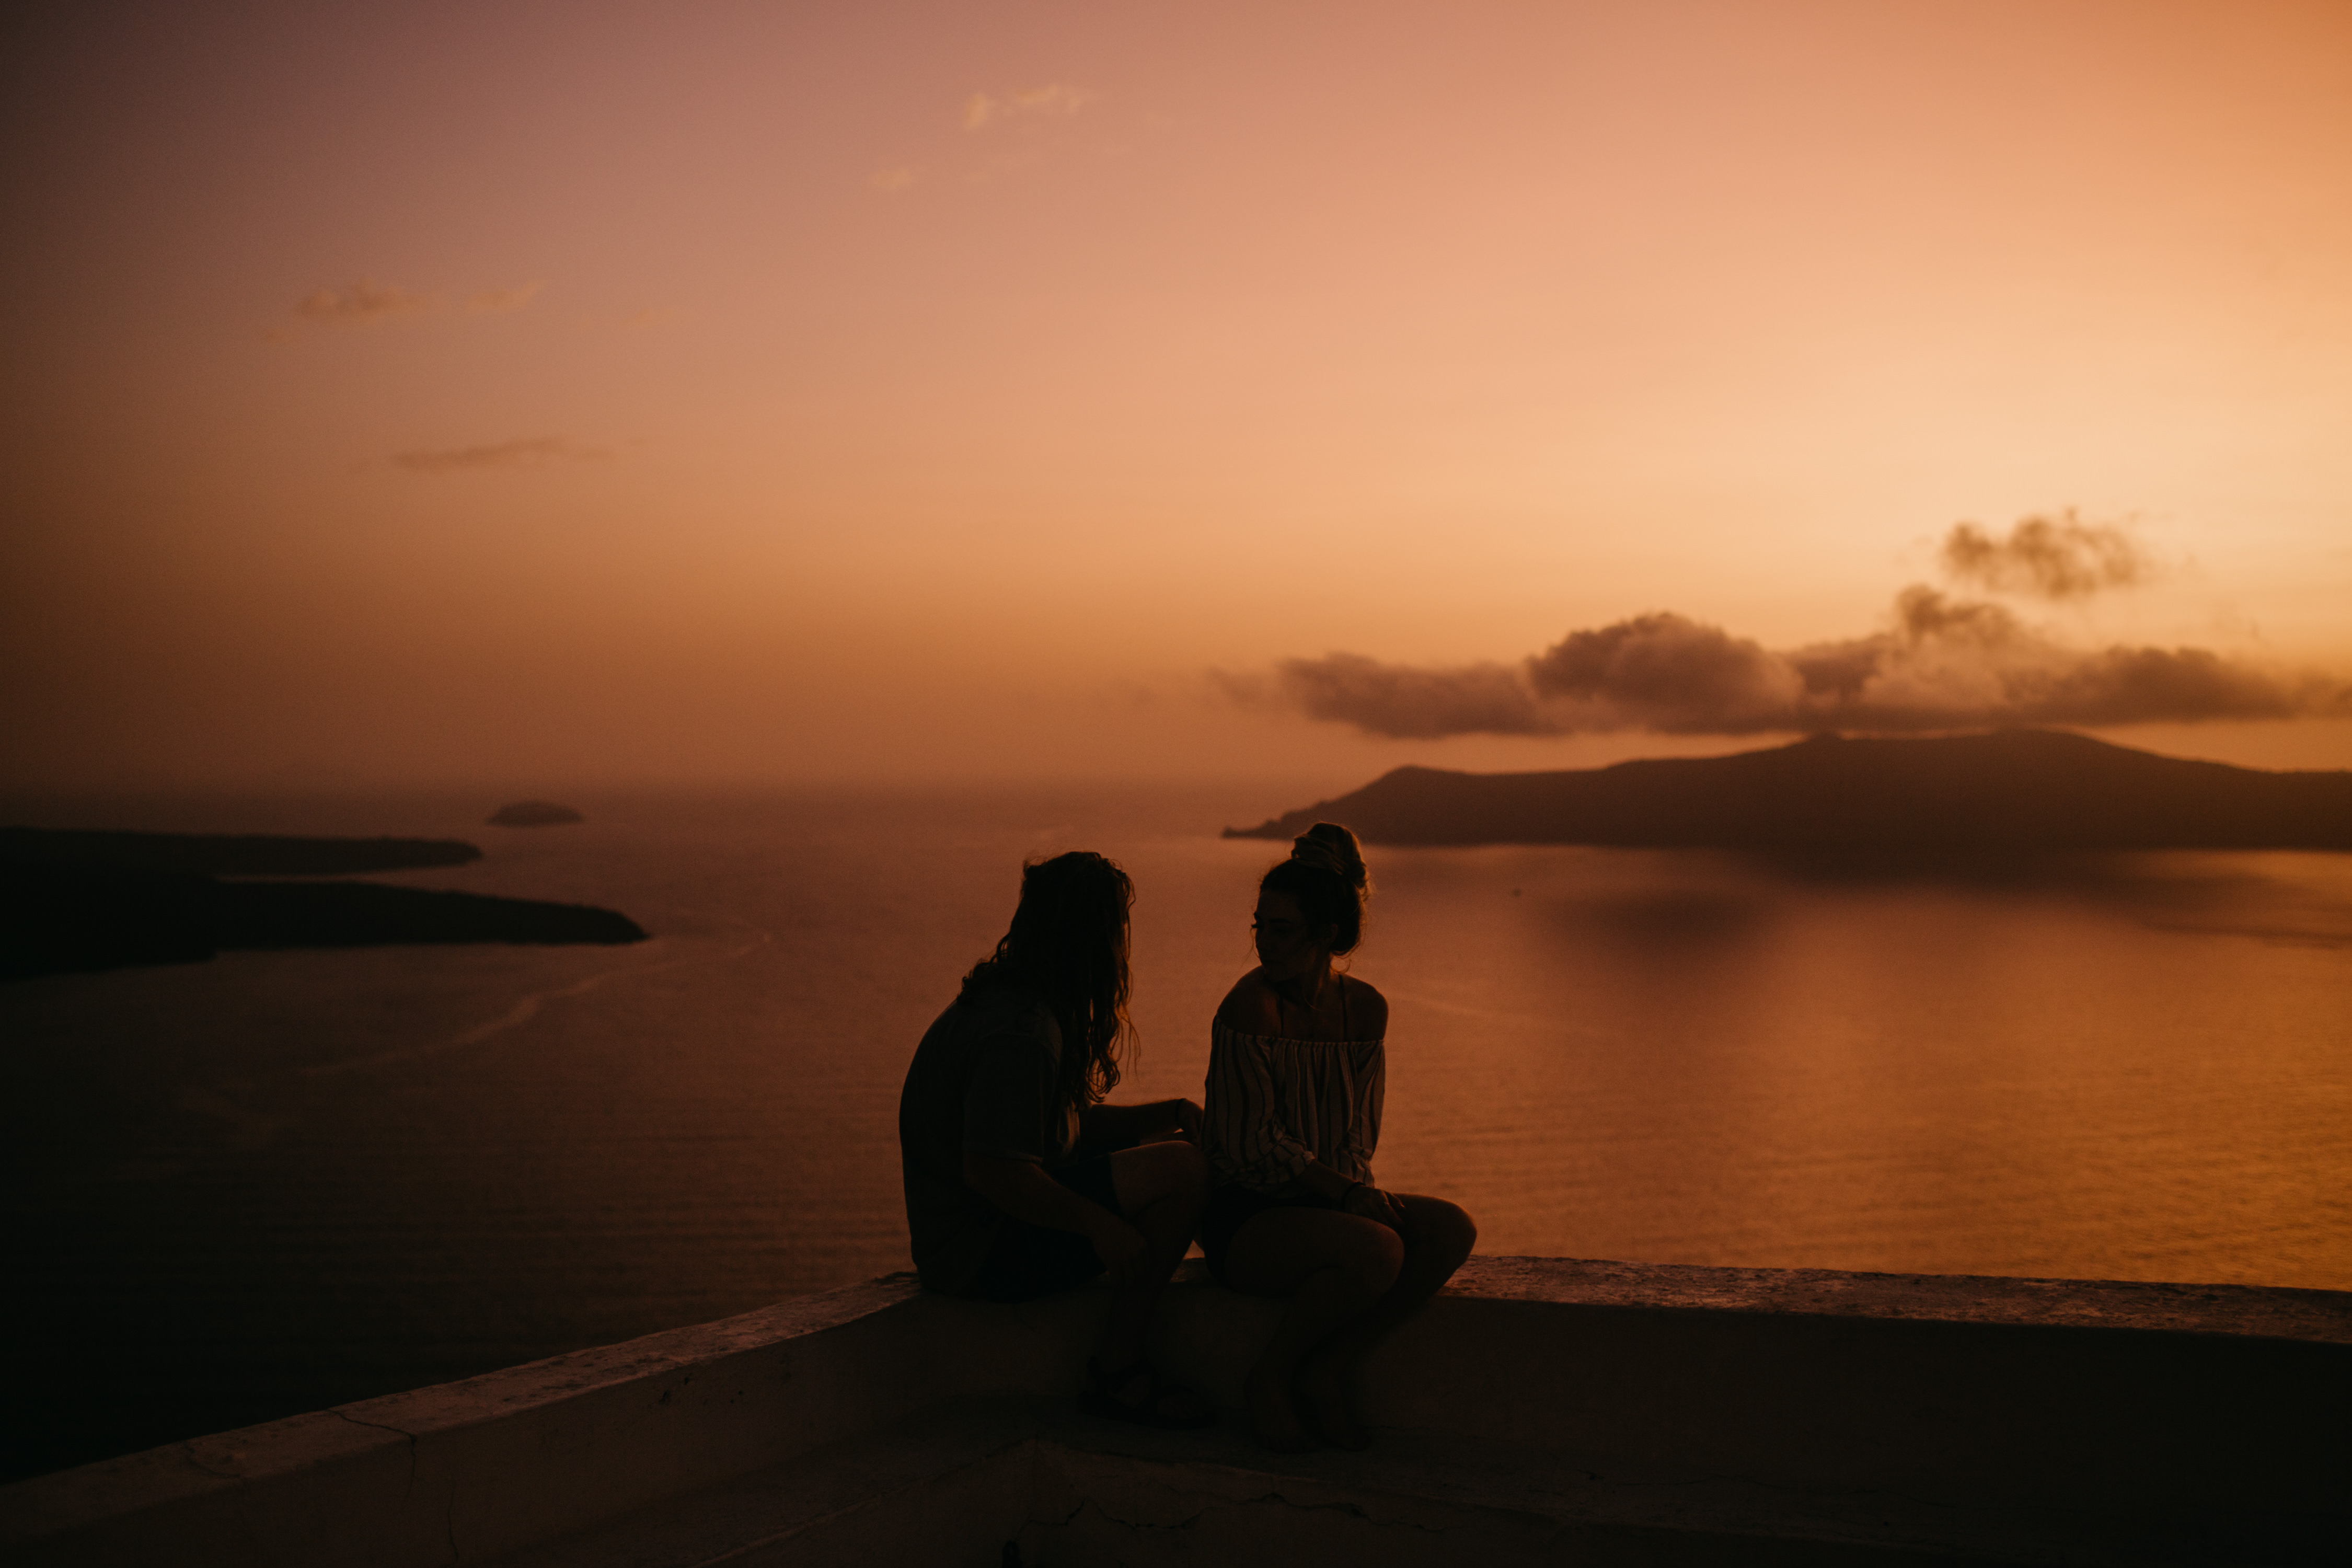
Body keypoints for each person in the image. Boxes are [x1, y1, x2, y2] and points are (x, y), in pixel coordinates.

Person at [897, 850, 1213, 1427]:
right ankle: (1117, 1373)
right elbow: (995, 1171)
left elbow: (1054, 1132)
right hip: (979, 1256)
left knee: (1172, 1154)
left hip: (972, 1239)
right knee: (1185, 1174)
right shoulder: (1023, 1035)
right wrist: (1102, 1226)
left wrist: (1165, 1115)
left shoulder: (1016, 1005)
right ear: (1095, 940)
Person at [1200, 823, 1478, 1451]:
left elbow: (1358, 1131)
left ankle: (1328, 1366)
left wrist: (1351, 1191)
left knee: (1450, 1230)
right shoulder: (1249, 1009)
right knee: (1377, 1252)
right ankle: (1270, 1377)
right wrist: (1346, 1196)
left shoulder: (1366, 1011)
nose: (1262, 944)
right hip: (1246, 1214)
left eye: (1281, 929)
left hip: (1326, 1203)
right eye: (1259, 926)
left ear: (1326, 934)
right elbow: (1252, 1142)